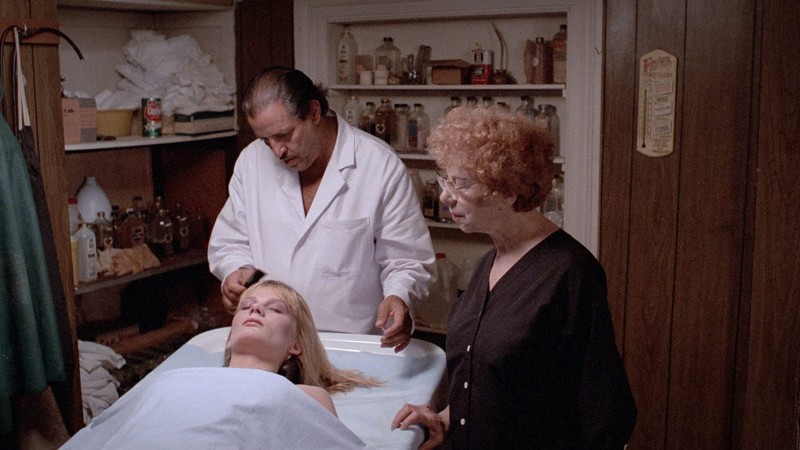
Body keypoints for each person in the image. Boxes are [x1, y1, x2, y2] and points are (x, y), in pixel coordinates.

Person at [392, 106, 637, 449]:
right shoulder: (489, 263)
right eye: (446, 180)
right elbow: (490, 381)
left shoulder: (571, 273)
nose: (446, 196)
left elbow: (605, 412)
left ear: (508, 191)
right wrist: (445, 418)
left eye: (461, 184)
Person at [208, 66, 434, 352]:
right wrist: (235, 272)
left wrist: (398, 295)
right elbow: (231, 242)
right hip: (272, 341)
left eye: (284, 135)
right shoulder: (251, 162)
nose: (277, 151)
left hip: (353, 344)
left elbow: (406, 259)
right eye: (266, 140)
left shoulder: (378, 165)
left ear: (314, 112)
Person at [62, 279, 380, 449]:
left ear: (295, 345)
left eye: (275, 309)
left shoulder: (304, 395)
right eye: (247, 306)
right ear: (229, 338)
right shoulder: (175, 378)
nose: (255, 310)